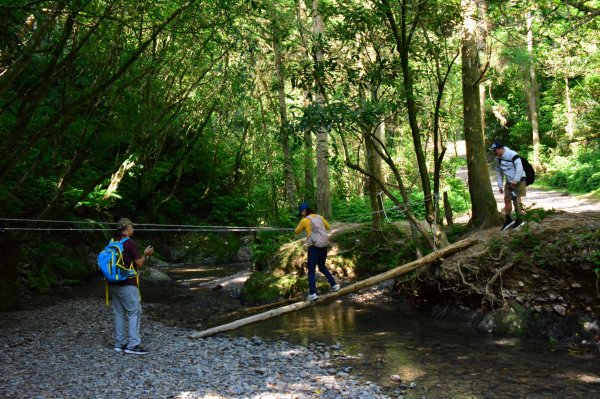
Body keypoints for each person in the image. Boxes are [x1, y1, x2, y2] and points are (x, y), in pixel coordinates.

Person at [109, 218, 153, 355]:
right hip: (127, 284)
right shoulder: (129, 243)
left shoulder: (113, 242)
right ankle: (133, 345)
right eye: (132, 227)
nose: (133, 229)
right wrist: (146, 254)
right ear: (127, 228)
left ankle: (119, 343)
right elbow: (139, 263)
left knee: (119, 314)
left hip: (113, 283)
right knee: (134, 312)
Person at [294, 202, 339, 300]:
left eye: (301, 212)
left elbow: (296, 231)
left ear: (304, 211)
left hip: (313, 247)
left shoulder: (304, 220)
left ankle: (313, 293)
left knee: (311, 270)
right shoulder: (319, 217)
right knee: (322, 266)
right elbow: (328, 227)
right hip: (323, 246)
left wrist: (304, 228)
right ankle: (334, 285)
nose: (301, 214)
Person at [489, 142, 527, 230]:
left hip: (519, 179)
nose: (494, 153)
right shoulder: (498, 159)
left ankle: (519, 219)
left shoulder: (513, 154)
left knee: (516, 199)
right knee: (507, 199)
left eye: (494, 151)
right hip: (509, 181)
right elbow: (499, 172)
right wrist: (500, 185)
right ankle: (509, 219)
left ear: (500, 149)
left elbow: (519, 168)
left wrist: (515, 180)